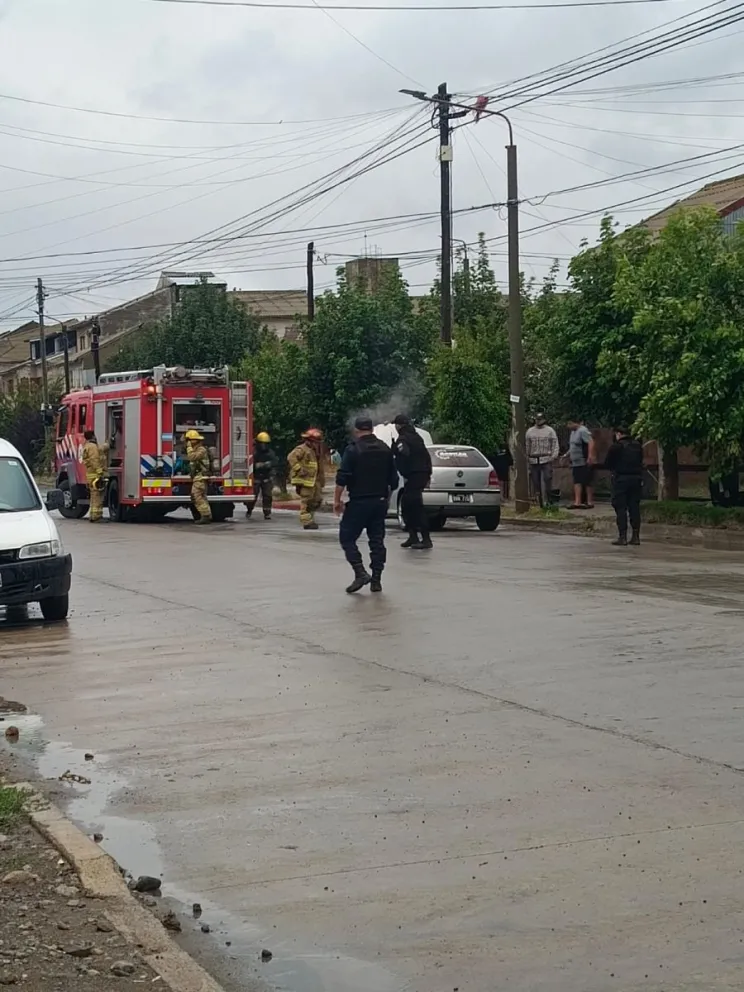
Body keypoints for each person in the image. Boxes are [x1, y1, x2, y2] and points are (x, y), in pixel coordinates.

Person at [334, 417, 398, 594]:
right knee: (377, 541)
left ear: (356, 430)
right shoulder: (385, 449)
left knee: (347, 538)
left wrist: (337, 501)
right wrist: (385, 499)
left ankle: (360, 572)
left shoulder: (353, 450)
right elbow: (394, 481)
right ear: (371, 429)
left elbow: (342, 478)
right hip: (379, 503)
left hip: (359, 503)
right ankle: (376, 580)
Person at [392, 413, 433, 550]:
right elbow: (426, 456)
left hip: (414, 476)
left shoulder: (403, 439)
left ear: (399, 425)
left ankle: (425, 539)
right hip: (421, 475)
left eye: (396, 425)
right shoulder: (417, 437)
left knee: (414, 506)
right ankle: (413, 536)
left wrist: (396, 454)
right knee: (408, 505)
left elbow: (404, 455)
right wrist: (428, 474)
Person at [604, 426, 643, 546]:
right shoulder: (637, 445)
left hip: (621, 479)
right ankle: (636, 536)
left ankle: (623, 536)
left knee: (620, 508)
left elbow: (608, 463)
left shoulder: (616, 446)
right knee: (634, 507)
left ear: (619, 434)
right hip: (636, 479)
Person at [287, 428, 325, 530]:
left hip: (314, 481)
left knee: (317, 500)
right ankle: (306, 522)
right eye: (315, 442)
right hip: (305, 481)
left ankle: (310, 518)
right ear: (309, 441)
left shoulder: (317, 451)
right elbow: (291, 458)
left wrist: (322, 481)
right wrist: (299, 469)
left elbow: (319, 467)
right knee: (306, 500)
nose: (317, 444)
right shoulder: (302, 449)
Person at [525, 413, 559, 507]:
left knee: (547, 478)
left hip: (546, 458)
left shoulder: (550, 431)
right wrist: (527, 457)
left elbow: (555, 444)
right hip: (533, 459)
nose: (538, 421)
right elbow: (527, 445)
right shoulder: (530, 431)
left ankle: (549, 498)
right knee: (535, 481)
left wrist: (553, 456)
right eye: (537, 419)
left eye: (540, 419)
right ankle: (538, 499)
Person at [567, 417, 596, 509]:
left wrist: (590, 456)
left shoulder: (583, 430)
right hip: (576, 461)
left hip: (583, 459)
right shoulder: (572, 432)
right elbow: (572, 446)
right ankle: (577, 502)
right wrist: (567, 455)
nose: (569, 426)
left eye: (571, 423)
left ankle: (589, 501)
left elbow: (591, 442)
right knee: (577, 481)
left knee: (587, 481)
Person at [184, 429, 212, 524]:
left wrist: (188, 448)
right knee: (201, 497)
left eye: (188, 440)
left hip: (201, 477)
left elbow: (192, 457)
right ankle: (206, 515)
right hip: (198, 477)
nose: (187, 443)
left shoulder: (201, 450)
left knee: (197, 496)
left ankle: (205, 516)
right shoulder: (196, 449)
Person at [247, 431, 277, 520]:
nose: (264, 446)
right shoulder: (253, 452)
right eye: (262, 443)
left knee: (268, 496)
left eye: (266, 444)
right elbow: (248, 463)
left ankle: (267, 513)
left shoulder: (270, 453)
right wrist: (255, 465)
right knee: (253, 497)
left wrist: (269, 464)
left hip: (266, 478)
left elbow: (275, 461)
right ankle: (249, 510)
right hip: (256, 478)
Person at [81, 430, 109, 523]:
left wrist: (106, 445)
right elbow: (94, 459)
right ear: (92, 436)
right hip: (95, 475)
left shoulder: (89, 446)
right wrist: (99, 471)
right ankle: (96, 517)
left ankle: (94, 515)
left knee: (94, 495)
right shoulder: (92, 447)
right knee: (97, 495)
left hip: (91, 474)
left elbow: (99, 450)